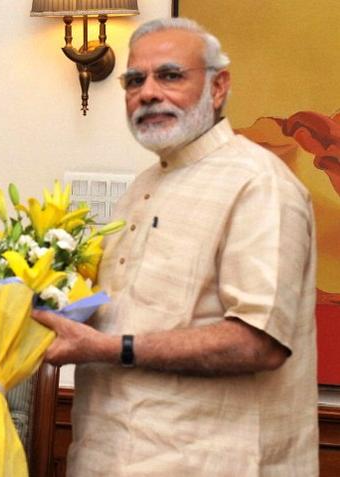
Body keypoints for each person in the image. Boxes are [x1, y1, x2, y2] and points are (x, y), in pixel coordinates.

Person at [32, 17, 318, 476]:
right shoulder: (144, 184)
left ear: (218, 86)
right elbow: (132, 313)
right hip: (108, 454)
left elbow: (258, 342)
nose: (147, 93)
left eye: (169, 75)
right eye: (134, 80)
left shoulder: (259, 183)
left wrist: (109, 348)